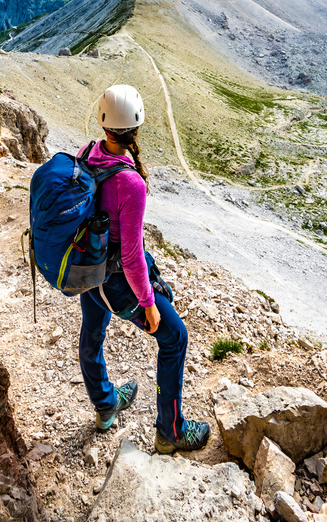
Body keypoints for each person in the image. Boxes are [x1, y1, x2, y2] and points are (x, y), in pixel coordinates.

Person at [78, 83, 210, 454]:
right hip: (116, 282)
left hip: (89, 272)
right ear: (137, 127)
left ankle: (105, 405)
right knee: (175, 337)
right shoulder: (130, 182)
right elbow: (133, 257)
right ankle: (170, 432)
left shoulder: (87, 154)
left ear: (103, 124)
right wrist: (149, 303)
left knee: (92, 331)